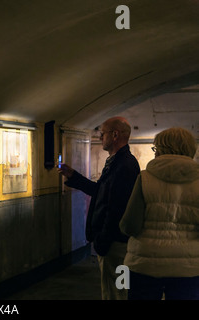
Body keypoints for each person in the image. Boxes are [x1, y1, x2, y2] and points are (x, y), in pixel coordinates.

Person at [58, 116, 140, 300]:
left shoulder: (124, 165)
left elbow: (116, 207)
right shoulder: (117, 162)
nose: (100, 137)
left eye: (102, 133)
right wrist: (74, 176)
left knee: (116, 292)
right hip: (115, 242)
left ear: (115, 135)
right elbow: (101, 192)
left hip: (115, 245)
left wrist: (103, 240)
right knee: (117, 290)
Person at [119, 127, 199, 300]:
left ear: (162, 149)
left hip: (145, 264)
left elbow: (130, 226)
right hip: (188, 266)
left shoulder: (145, 178)